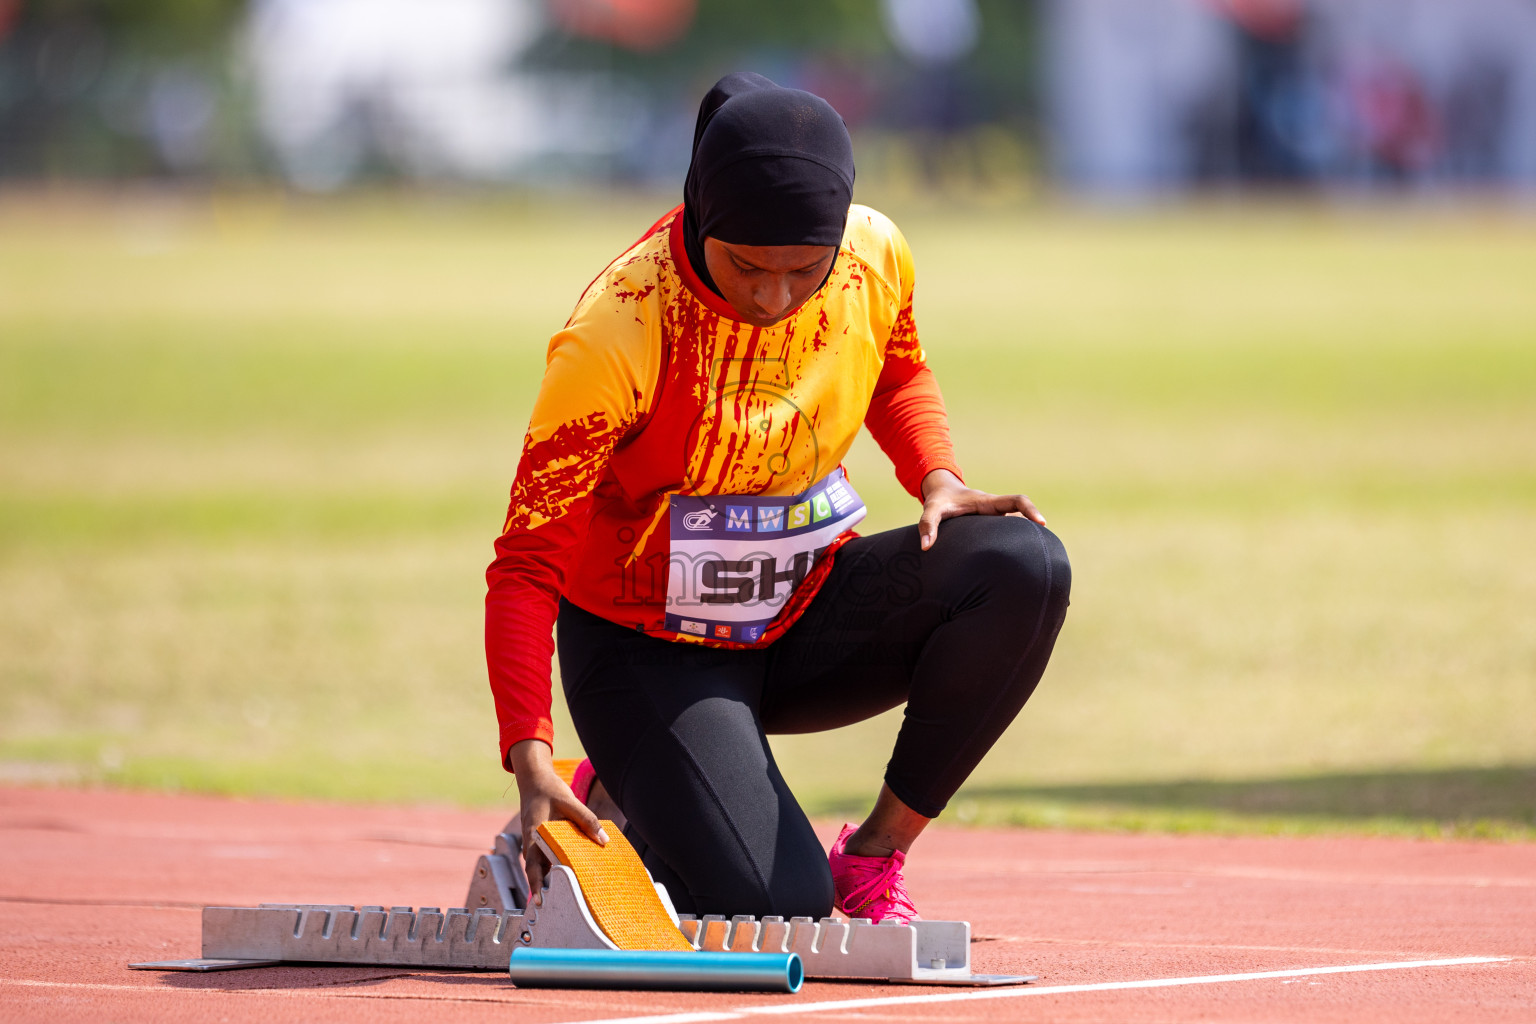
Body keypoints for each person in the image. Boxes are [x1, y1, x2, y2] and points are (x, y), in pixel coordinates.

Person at [486, 72, 1070, 925]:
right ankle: (619, 783)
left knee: (1025, 566)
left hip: (799, 614)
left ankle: (871, 858)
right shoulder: (620, 327)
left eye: (803, 269)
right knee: (777, 908)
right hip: (649, 651)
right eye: (747, 267)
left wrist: (935, 473)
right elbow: (527, 565)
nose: (773, 297)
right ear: (699, 217)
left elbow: (897, 367)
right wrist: (528, 750)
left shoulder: (873, 255)